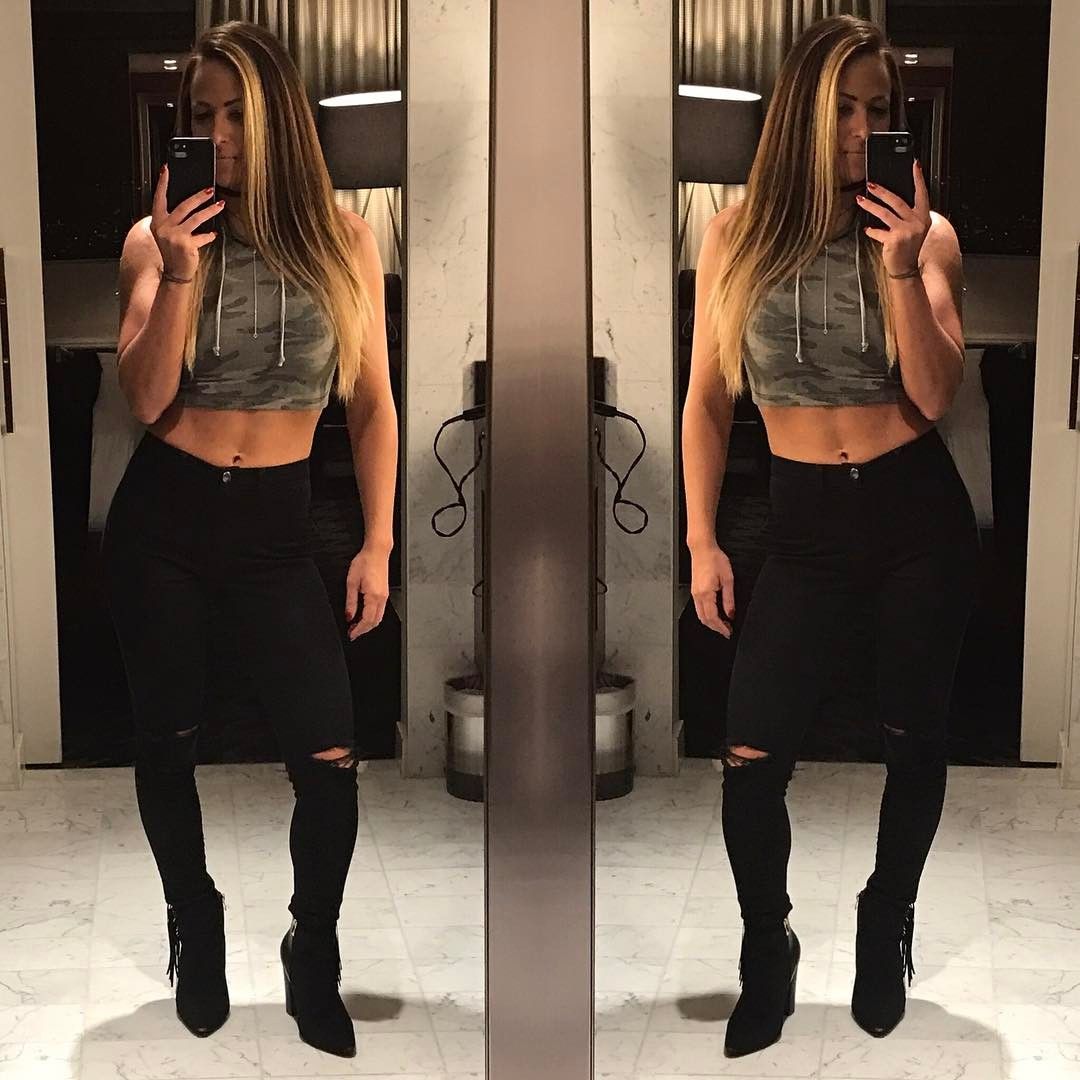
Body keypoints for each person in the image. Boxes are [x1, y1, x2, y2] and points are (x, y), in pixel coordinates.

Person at [682, 14, 978, 1058]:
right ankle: (768, 951)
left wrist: (901, 265)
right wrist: (702, 540)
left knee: (913, 738)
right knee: (751, 752)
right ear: (799, 116)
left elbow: (934, 398)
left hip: (915, 520)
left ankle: (886, 920)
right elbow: (709, 400)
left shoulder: (929, 237)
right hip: (802, 525)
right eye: (842, 109)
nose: (861, 130)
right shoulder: (734, 235)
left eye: (878, 110)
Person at [102, 20, 397, 1059]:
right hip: (165, 524)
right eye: (201, 115)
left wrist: (377, 543)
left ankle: (312, 952)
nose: (218, 135)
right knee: (167, 740)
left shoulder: (345, 240)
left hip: (278, 527)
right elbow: (146, 401)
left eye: (238, 114)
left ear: (280, 122)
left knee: (328, 753)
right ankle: (195, 920)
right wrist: (180, 268)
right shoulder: (153, 242)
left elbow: (370, 404)